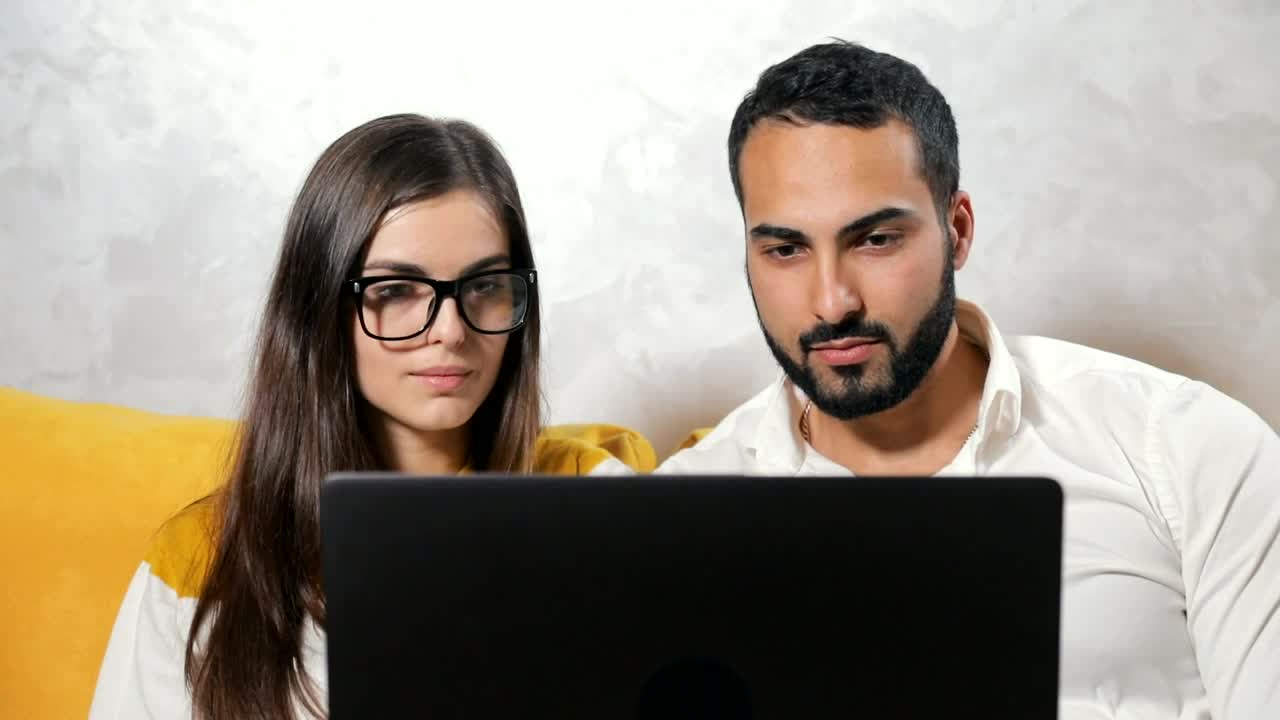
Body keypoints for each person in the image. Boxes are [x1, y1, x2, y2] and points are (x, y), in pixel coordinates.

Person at [658, 41, 1279, 718]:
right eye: (785, 249)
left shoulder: (1189, 449)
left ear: (957, 231)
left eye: (875, 240)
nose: (833, 301)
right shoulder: (676, 525)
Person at [89, 114, 643, 719]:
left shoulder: (595, 505)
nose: (451, 332)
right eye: (395, 291)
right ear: (317, 310)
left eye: (485, 285)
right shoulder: (199, 560)